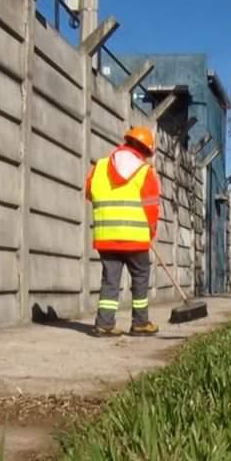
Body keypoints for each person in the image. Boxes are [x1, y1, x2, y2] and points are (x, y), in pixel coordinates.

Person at [85, 126, 162, 337]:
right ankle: (140, 323)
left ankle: (104, 324)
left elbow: (89, 194)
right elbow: (151, 207)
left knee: (110, 280)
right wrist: (150, 233)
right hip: (135, 239)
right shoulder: (144, 171)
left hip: (106, 238)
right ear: (145, 151)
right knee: (140, 278)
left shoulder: (99, 167)